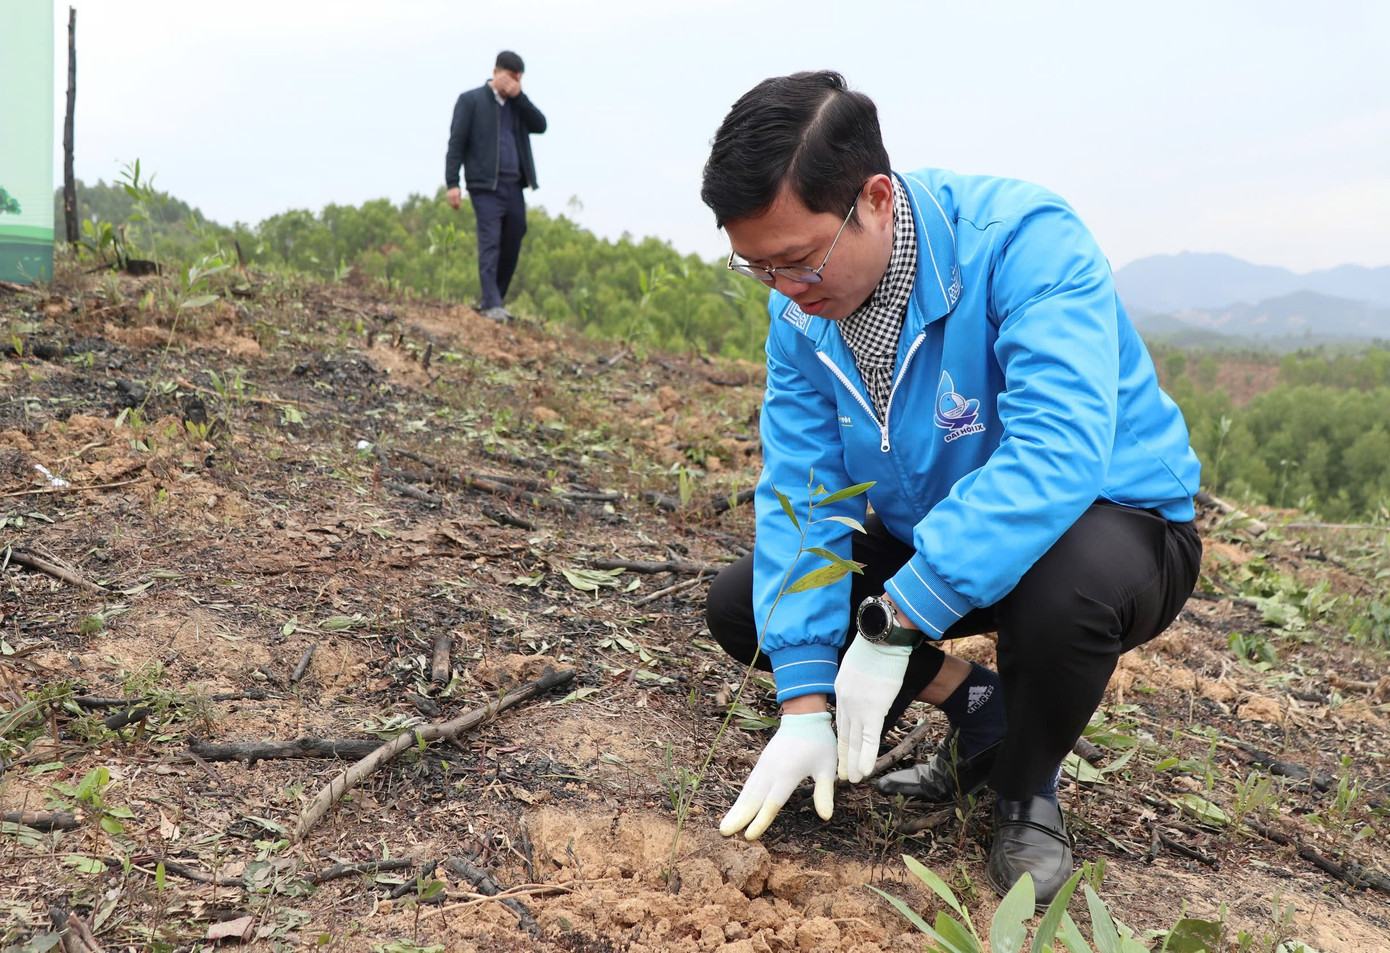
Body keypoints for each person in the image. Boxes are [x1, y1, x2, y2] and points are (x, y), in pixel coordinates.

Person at [700, 71, 1202, 906]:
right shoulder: (803, 317)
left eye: (799, 261)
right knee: (745, 603)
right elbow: (806, 493)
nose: (787, 292)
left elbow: (1057, 451)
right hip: (941, 529)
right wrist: (804, 701)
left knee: (1064, 590)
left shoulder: (1024, 242)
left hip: (1112, 523)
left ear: (875, 199)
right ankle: (980, 706)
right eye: (760, 269)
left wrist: (895, 620)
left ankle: (1026, 788)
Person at [444, 50, 547, 323]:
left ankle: (495, 299)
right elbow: (456, 143)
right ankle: (491, 303)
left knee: (514, 236)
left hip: (514, 185)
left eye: (519, 79)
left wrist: (520, 97)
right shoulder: (471, 101)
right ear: (495, 72)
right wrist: (452, 183)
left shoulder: (518, 105)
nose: (514, 83)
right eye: (511, 77)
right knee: (490, 241)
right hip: (485, 186)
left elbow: (541, 125)